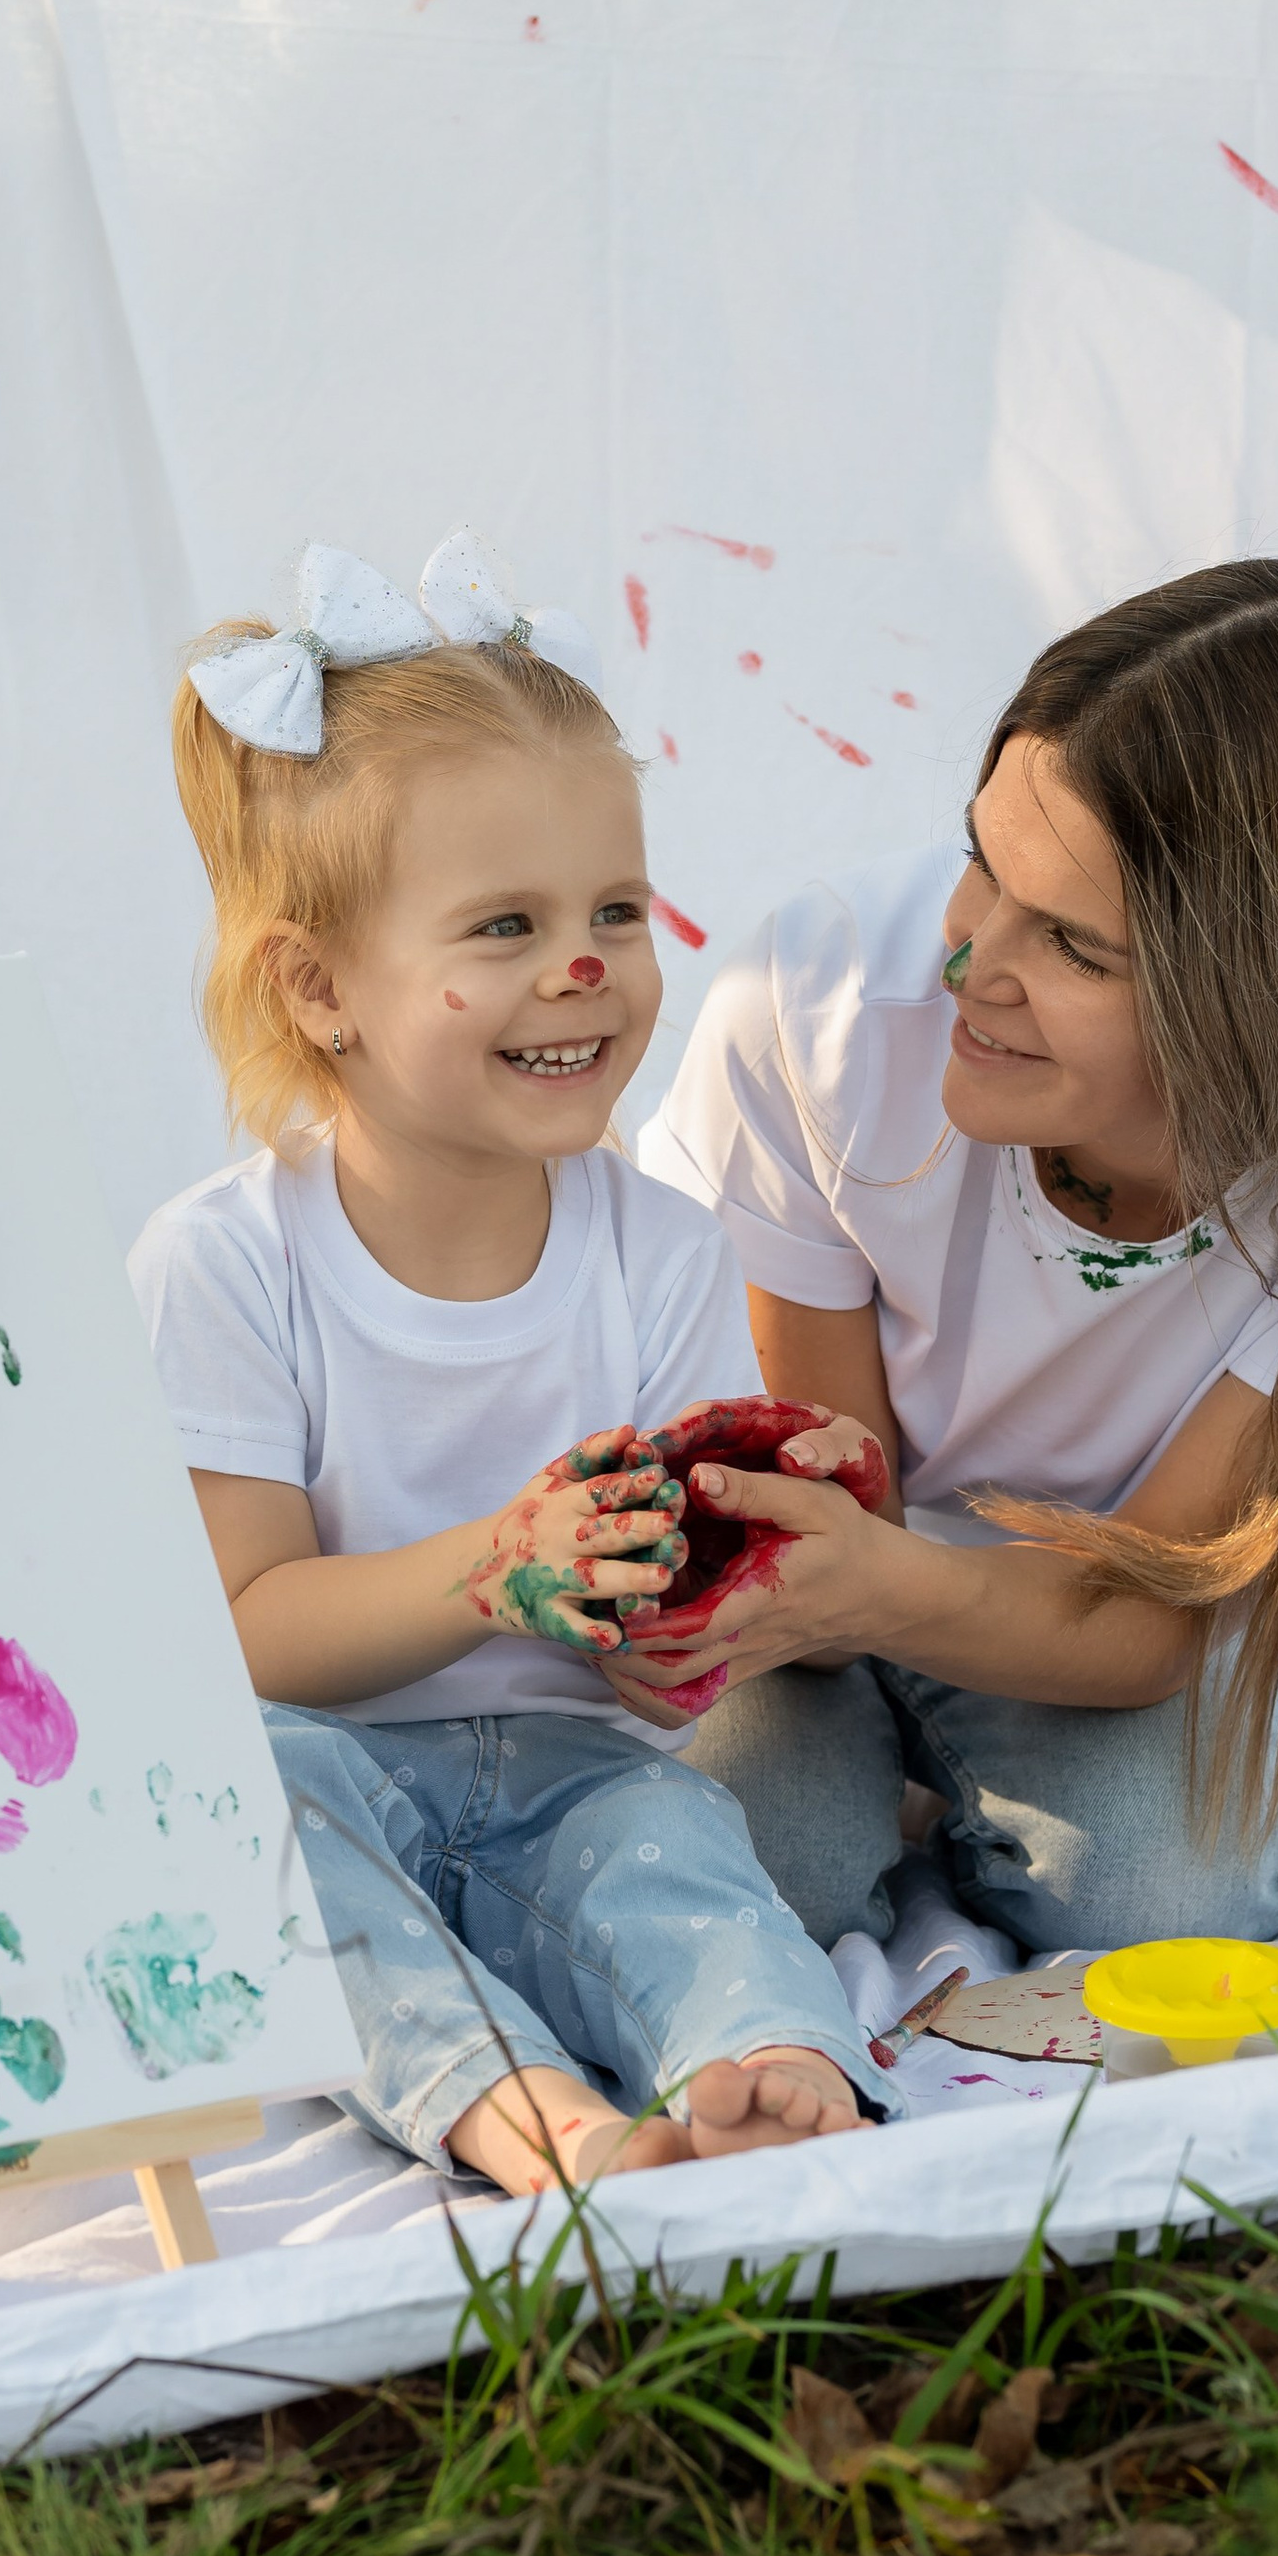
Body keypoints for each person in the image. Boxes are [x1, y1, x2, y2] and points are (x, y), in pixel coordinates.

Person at [627, 558, 1278, 1959]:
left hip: (1101, 1616)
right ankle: (899, 1794)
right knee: (728, 1869)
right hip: (836, 1574)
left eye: (1076, 943)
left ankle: (931, 1796)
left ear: (1265, 995)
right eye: (981, 862)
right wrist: (825, 1610)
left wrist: (899, 1601)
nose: (971, 963)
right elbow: (837, 1505)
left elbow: (1159, 1605)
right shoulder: (823, 999)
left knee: (1158, 1901)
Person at [129, 531, 884, 2189]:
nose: (589, 965)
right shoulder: (225, 1265)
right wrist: (495, 1570)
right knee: (252, 1826)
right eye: (507, 925)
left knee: (683, 1850)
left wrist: (676, 1635)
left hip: (573, 1770)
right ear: (319, 989)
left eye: (616, 906)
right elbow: (251, 1636)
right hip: (325, 1758)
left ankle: (772, 2072)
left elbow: (657, 1639)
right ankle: (530, 2115)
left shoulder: (666, 1250)